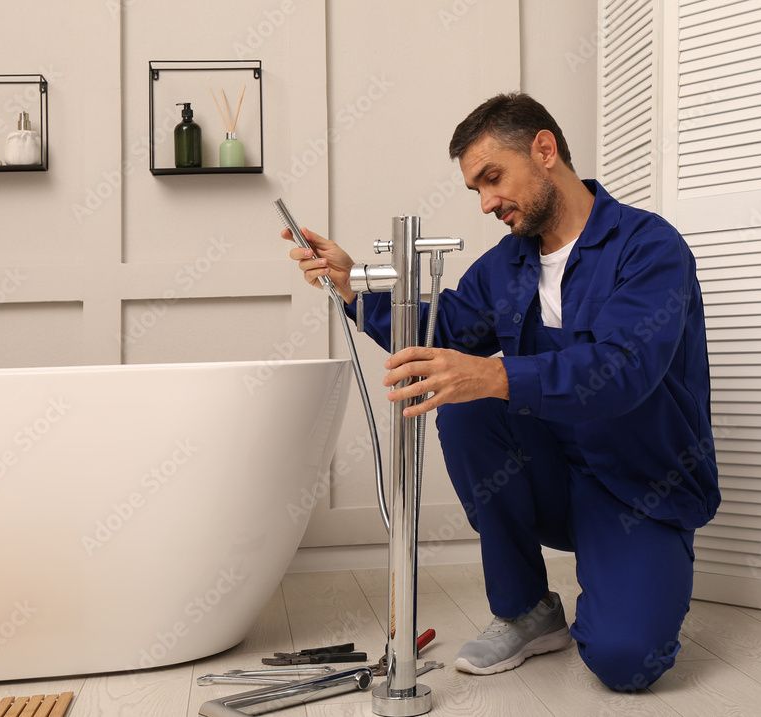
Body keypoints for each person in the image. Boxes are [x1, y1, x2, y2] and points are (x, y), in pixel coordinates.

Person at [281, 92, 719, 692]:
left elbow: (627, 369)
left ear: (544, 150)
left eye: (492, 179)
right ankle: (527, 609)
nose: (487, 203)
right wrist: (353, 286)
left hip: (638, 486)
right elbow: (447, 328)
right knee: (460, 397)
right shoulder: (508, 265)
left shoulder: (649, 249)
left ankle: (622, 577)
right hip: (554, 477)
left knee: (625, 660)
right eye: (476, 190)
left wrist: (493, 375)